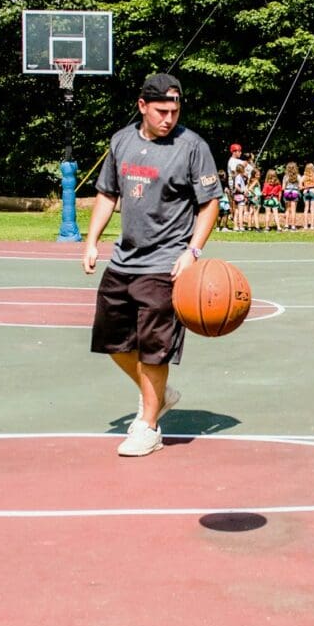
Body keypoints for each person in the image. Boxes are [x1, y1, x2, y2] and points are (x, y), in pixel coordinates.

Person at [83, 72, 221, 457]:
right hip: (123, 259)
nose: (169, 118)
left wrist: (191, 251)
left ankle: (148, 425)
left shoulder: (192, 147)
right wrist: (92, 241)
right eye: (161, 110)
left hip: (165, 263)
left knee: (153, 349)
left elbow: (210, 203)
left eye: (175, 111)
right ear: (142, 106)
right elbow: (107, 194)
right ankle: (159, 395)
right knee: (112, 342)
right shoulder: (121, 141)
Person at [301, 162, 314, 232]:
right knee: (312, 209)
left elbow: (300, 187)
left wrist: (306, 186)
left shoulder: (303, 177)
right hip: (313, 192)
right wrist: (313, 186)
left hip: (306, 192)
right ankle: (312, 225)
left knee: (306, 209)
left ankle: (305, 225)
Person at [282, 162, 302, 230]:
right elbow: (300, 186)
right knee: (293, 210)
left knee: (287, 209)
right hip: (294, 193)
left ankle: (286, 225)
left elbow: (283, 187)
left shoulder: (285, 176)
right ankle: (293, 226)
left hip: (287, 192)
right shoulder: (298, 176)